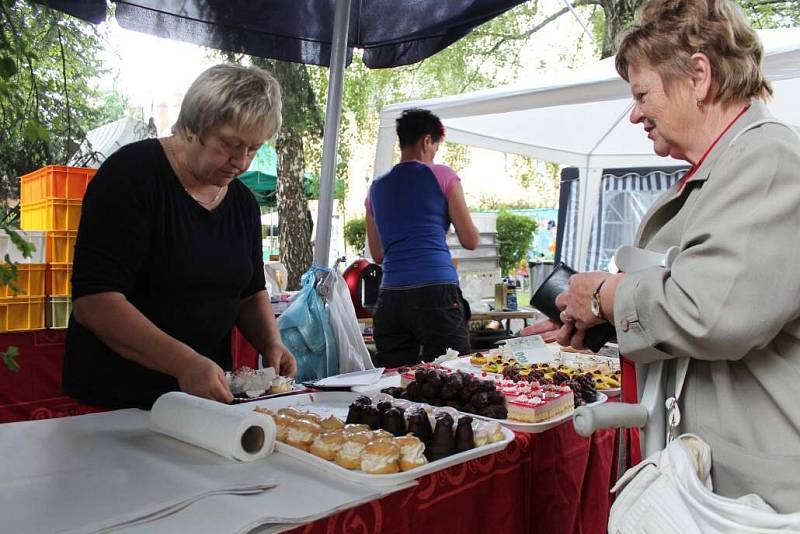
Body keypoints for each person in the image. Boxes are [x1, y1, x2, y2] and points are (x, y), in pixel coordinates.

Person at [522, 0, 800, 512]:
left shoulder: (768, 160)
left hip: (757, 498)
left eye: (642, 93)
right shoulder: (722, 169)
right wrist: (596, 325)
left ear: (699, 75)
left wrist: (606, 298)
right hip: (716, 484)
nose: (635, 113)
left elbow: (711, 311)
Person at [63, 64, 297, 410]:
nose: (242, 162)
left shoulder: (244, 205)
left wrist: (270, 342)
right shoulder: (130, 177)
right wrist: (184, 362)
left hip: (202, 399)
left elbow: (249, 291)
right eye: (230, 145)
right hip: (116, 401)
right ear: (192, 127)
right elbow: (95, 302)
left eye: (253, 148)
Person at [366, 108, 480, 367]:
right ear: (427, 141)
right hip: (436, 293)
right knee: (453, 376)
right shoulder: (442, 175)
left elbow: (378, 255)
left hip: (390, 298)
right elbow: (470, 240)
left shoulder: (375, 189)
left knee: (394, 381)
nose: (434, 155)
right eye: (435, 148)